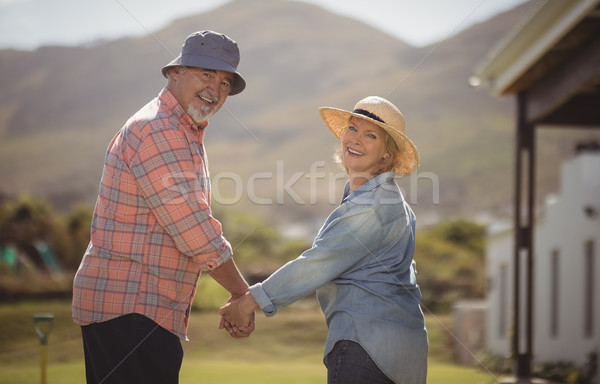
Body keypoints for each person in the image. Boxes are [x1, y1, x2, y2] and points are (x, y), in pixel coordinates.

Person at [72, 30, 254, 384]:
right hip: (131, 310)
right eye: (206, 74)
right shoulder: (160, 130)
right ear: (176, 72)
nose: (215, 90)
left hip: (138, 313)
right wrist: (242, 294)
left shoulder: (180, 130)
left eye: (225, 82)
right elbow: (194, 230)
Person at [219, 96, 428, 384]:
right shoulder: (390, 202)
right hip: (398, 356)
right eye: (352, 128)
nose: (355, 139)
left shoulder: (371, 207)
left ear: (386, 154)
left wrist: (247, 303)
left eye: (371, 135)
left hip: (366, 350)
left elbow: (317, 263)